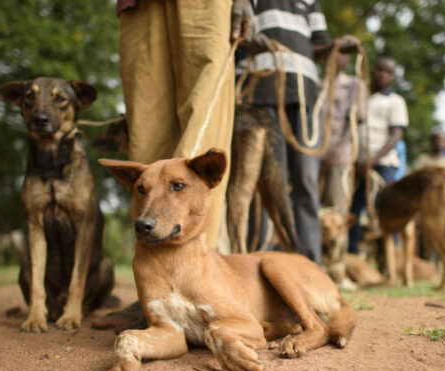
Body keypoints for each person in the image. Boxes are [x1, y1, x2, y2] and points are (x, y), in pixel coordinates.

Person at [116, 0, 253, 249]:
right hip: (139, 6)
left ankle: (198, 264)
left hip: (206, 6)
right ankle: (152, 270)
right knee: (146, 132)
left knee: (205, 123)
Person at [237, 0, 360, 264]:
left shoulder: (309, 2)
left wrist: (337, 45)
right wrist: (249, 40)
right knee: (266, 182)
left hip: (304, 95)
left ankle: (310, 266)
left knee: (306, 182)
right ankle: (258, 263)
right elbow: (235, 31)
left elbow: (319, 45)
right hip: (260, 92)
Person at [347, 56, 409, 254]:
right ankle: (351, 253)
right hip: (358, 164)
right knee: (353, 211)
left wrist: (372, 160)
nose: (383, 74)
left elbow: (396, 134)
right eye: (380, 69)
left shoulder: (395, 101)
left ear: (392, 77)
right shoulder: (363, 98)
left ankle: (392, 256)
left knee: (388, 210)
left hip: (383, 164)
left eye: (388, 72)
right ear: (374, 71)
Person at [319, 51, 367, 212]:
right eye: (334, 53)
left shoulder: (355, 85)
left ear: (347, 59)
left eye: (342, 53)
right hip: (316, 155)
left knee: (337, 210)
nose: (337, 57)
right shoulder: (318, 85)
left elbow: (354, 122)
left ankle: (338, 238)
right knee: (311, 207)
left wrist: (335, 153)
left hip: (340, 155)